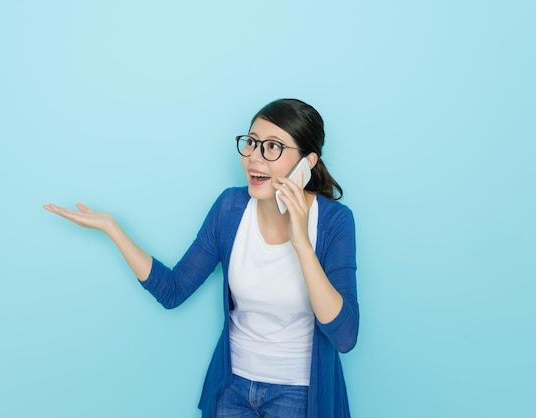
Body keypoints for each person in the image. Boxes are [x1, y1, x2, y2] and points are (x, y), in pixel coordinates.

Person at [43, 98, 359, 418]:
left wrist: (303, 245)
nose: (253, 157)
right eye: (250, 143)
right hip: (231, 390)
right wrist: (113, 228)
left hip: (299, 393)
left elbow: (345, 336)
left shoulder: (334, 222)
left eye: (273, 147)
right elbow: (174, 290)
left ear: (307, 161)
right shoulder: (229, 208)